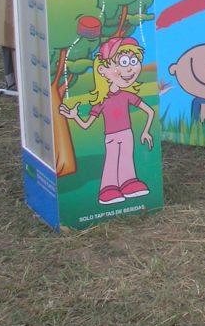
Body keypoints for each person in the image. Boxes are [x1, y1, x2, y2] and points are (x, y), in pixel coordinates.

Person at [60, 36, 155, 205]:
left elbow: (150, 111)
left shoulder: (127, 95)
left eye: (133, 61)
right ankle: (108, 188)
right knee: (111, 160)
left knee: (127, 158)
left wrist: (146, 131)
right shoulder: (102, 101)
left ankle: (129, 182)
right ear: (103, 70)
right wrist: (74, 116)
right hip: (111, 136)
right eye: (123, 62)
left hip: (127, 134)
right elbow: (86, 125)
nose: (130, 69)